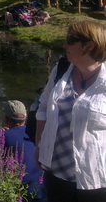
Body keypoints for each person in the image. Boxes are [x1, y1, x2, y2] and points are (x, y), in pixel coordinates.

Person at [35, 20, 106, 201]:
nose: (65, 44)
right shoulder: (61, 70)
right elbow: (43, 107)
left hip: (95, 177)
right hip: (56, 172)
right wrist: (39, 145)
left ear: (89, 46)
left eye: (71, 40)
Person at [2, 100, 45, 202]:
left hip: (25, 195)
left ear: (6, 119)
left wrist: (1, 136)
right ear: (25, 118)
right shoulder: (37, 132)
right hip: (46, 190)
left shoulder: (3, 137)